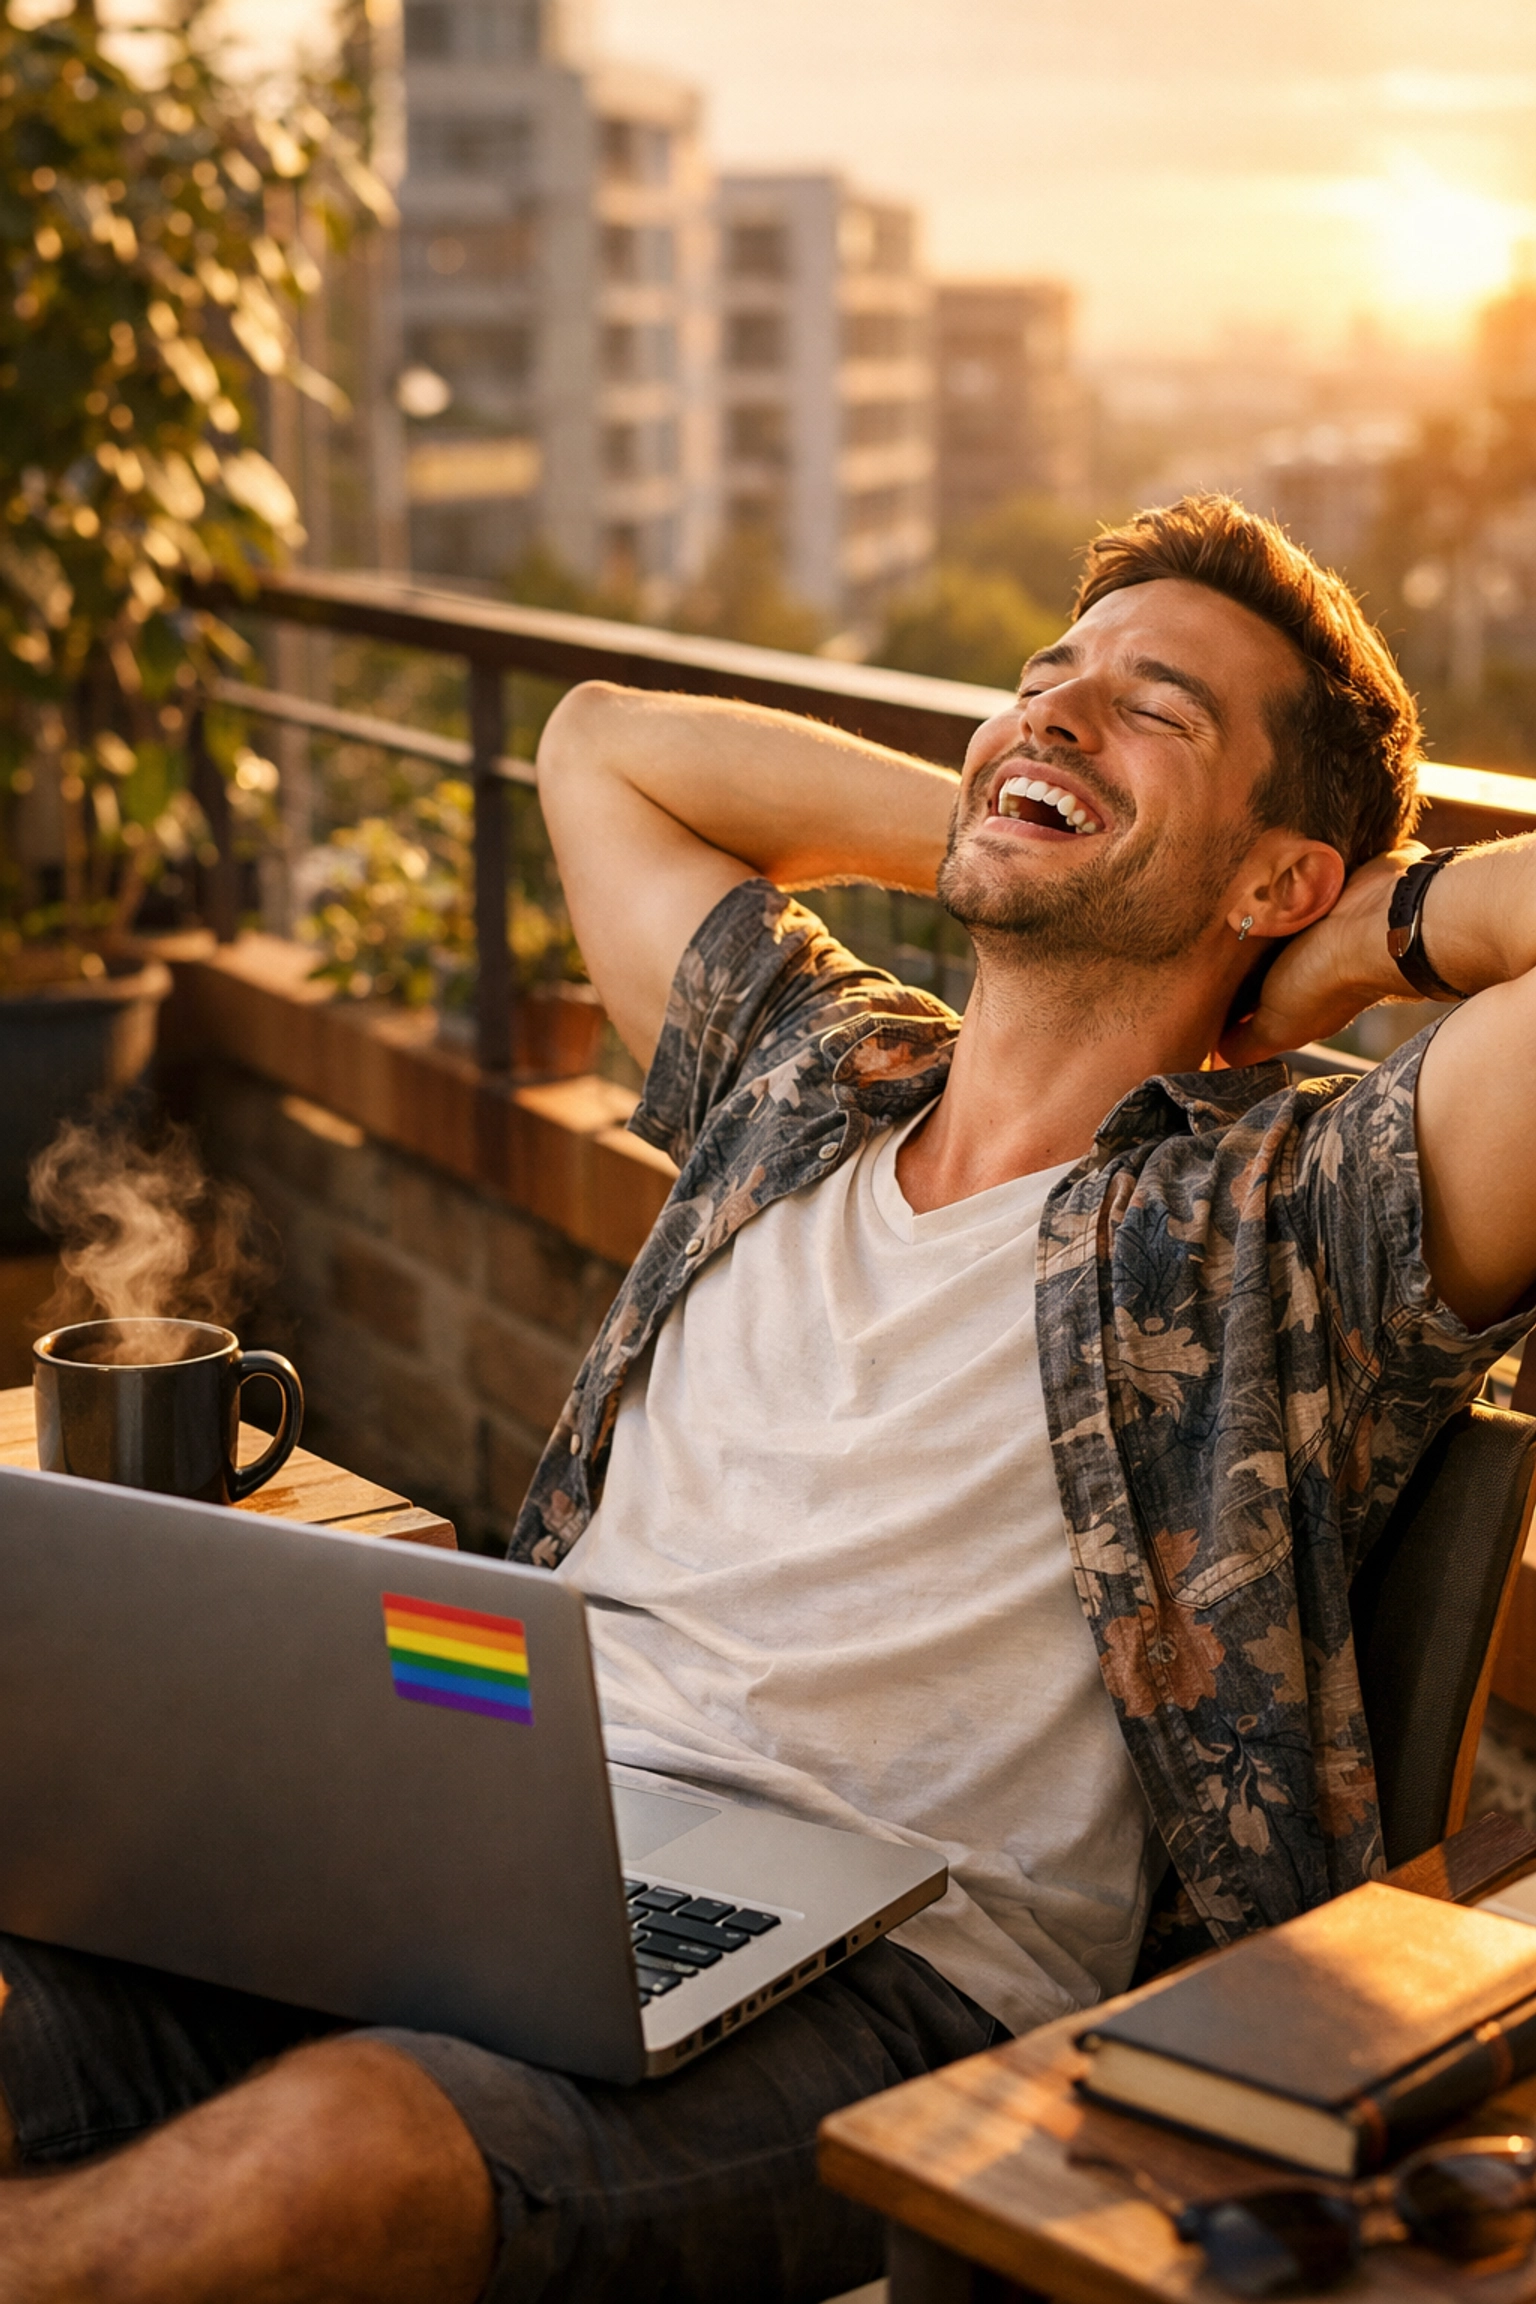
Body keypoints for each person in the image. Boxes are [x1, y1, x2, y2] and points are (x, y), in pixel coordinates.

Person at [0, 494, 1532, 2304]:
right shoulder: (812, 1070)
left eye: (1154, 709)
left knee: (340, 2155)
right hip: (501, 1834)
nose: (1053, 711)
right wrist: (1014, 806)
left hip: (905, 1987)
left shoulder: (1289, 1215)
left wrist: (1366, 929)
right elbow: (601, 748)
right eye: (1045, 680)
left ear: (1279, 876)